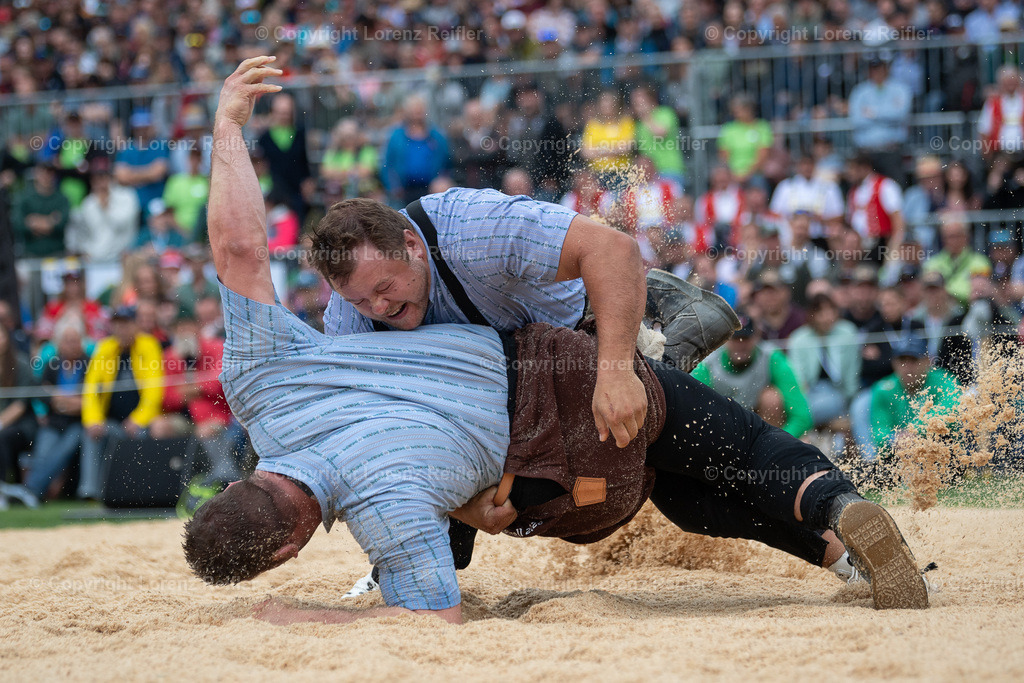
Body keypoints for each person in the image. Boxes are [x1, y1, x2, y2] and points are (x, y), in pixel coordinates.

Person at [184, 58, 930, 620]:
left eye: (387, 288)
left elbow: (610, 248)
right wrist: (226, 127)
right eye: (361, 301)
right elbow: (241, 252)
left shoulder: (469, 225)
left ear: (412, 245)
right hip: (527, 399)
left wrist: (611, 372)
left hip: (548, 436)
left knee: (677, 486)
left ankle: (832, 545)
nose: (379, 307)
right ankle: (831, 502)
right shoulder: (277, 369)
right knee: (722, 443)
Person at [77, 306, 165, 500]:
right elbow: (90, 389)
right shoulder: (105, 347)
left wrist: (137, 419)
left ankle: (141, 490)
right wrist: (93, 420)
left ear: (135, 325)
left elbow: (154, 391)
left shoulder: (149, 345)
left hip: (140, 424)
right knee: (91, 434)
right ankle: (90, 492)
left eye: (126, 324)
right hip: (112, 423)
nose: (121, 329)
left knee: (142, 434)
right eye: (117, 324)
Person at [692, 314, 813, 438]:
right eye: (735, 338)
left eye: (745, 338)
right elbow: (692, 412)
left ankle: (768, 449)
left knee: (771, 398)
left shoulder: (771, 358)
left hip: (760, 427)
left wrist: (778, 443)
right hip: (722, 427)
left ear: (756, 337)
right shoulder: (708, 364)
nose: (740, 344)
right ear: (725, 339)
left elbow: (801, 416)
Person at [870, 335, 961, 460]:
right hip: (899, 455)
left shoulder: (943, 380)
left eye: (913, 360)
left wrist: (914, 431)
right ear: (894, 363)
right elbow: (879, 431)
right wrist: (894, 439)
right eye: (902, 361)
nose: (907, 368)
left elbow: (950, 409)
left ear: (927, 361)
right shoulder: (883, 389)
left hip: (939, 453)